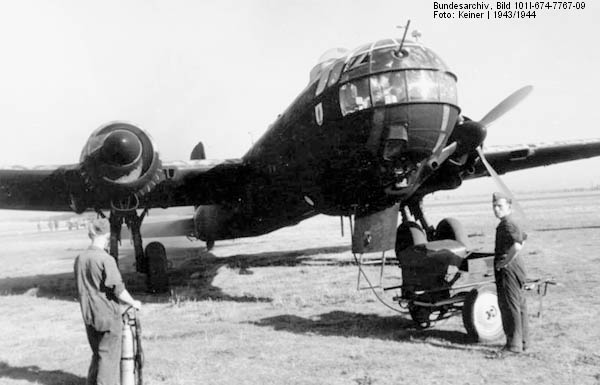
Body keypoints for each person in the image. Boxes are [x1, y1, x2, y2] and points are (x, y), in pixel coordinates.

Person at [74, 218, 142, 385]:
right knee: (109, 360)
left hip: (89, 314)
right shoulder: (106, 259)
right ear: (106, 235)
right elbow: (118, 289)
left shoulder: (80, 258)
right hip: (107, 316)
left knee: (98, 354)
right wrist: (133, 303)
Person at [492, 192, 529, 354]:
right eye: (494, 206)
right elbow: (524, 238)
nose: (496, 209)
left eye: (500, 206)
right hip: (517, 265)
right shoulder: (515, 220)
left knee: (509, 305)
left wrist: (505, 262)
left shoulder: (508, 224)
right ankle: (523, 341)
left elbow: (518, 245)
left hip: (509, 268)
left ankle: (513, 346)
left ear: (509, 206)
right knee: (520, 305)